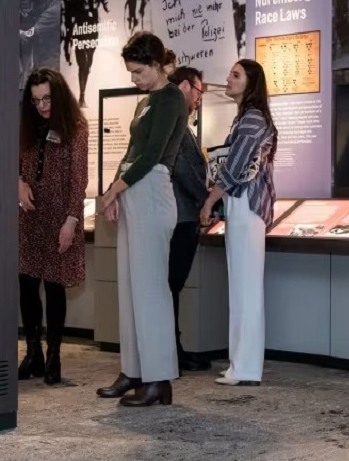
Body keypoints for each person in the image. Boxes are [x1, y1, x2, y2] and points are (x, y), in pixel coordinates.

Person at [97, 32, 188, 407]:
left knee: (150, 292)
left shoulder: (171, 99)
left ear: (155, 65)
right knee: (131, 290)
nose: (133, 78)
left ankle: (158, 379)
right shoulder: (147, 102)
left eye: (138, 72)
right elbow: (132, 151)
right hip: (134, 191)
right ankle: (134, 370)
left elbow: (151, 155)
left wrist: (114, 189)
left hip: (152, 190)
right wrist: (114, 193)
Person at [200, 60, 277, 386]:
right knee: (242, 286)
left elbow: (235, 167)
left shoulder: (252, 119)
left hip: (246, 204)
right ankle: (240, 363)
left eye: (235, 75)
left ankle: (245, 366)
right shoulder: (247, 118)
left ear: (251, 82)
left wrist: (210, 199)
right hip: (241, 204)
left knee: (245, 288)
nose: (228, 79)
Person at [18, 67, 88, 384]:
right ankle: (33, 353)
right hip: (29, 217)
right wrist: (18, 182)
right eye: (35, 100)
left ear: (57, 95)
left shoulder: (75, 127)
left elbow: (79, 180)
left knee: (55, 285)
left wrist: (72, 220)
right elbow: (12, 161)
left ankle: (54, 356)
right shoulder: (26, 126)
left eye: (46, 98)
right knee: (26, 284)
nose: (42, 105)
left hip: (60, 218)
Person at [167, 65, 210, 372]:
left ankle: (174, 348)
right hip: (180, 215)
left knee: (172, 285)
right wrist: (204, 197)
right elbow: (182, 169)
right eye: (199, 91)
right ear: (185, 86)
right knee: (171, 284)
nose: (199, 98)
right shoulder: (176, 122)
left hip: (179, 213)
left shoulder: (177, 122)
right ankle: (172, 352)